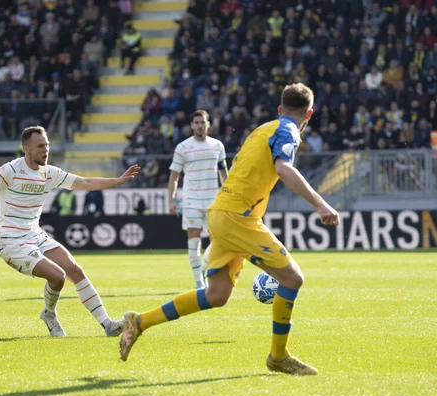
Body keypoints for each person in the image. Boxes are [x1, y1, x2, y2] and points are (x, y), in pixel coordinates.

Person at [119, 83, 340, 376]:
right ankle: (278, 355)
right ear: (309, 114)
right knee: (292, 278)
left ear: (279, 109)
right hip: (238, 217)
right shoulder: (288, 131)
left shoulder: (262, 130)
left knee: (217, 295)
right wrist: (321, 204)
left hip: (222, 213)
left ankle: (139, 321)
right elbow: (284, 168)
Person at [0, 126, 141, 337]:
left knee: (75, 270)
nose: (46, 150)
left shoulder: (49, 173)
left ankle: (107, 324)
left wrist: (117, 181)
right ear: (26, 149)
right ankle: (49, 314)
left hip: (35, 234)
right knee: (58, 277)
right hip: (11, 241)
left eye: (47, 145)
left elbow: (86, 182)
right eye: (40, 146)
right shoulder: (10, 171)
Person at [168, 110, 227, 289]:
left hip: (214, 201)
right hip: (192, 200)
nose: (200, 125)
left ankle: (201, 269)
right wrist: (171, 199)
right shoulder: (183, 147)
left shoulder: (217, 145)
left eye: (203, 122)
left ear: (208, 124)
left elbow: (224, 173)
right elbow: (174, 176)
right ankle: (198, 282)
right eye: (196, 122)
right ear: (191, 125)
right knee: (193, 239)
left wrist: (229, 196)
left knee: (218, 240)